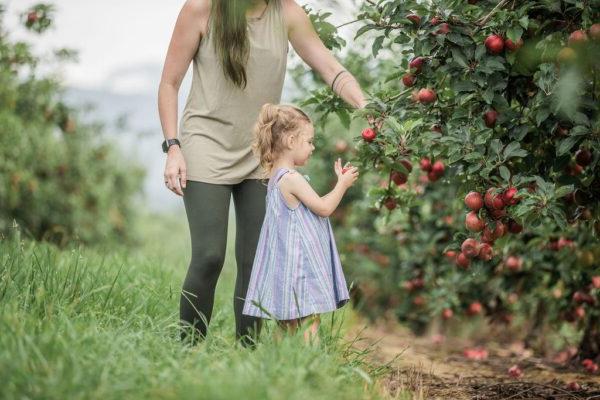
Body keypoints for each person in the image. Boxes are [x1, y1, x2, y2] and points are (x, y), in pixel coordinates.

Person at [157, 0, 370, 347]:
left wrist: (364, 105)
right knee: (209, 255)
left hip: (262, 152)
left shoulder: (286, 13)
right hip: (205, 144)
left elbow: (330, 68)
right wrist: (173, 147)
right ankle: (186, 350)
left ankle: (249, 354)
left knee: (256, 258)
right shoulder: (201, 9)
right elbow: (169, 83)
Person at [242, 103, 358, 344]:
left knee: (287, 326)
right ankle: (311, 368)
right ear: (291, 141)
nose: (313, 147)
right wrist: (343, 186)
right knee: (308, 321)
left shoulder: (276, 177)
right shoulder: (292, 178)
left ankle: (276, 365)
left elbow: (313, 207)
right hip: (300, 267)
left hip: (285, 267)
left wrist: (337, 182)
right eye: (309, 141)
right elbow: (324, 209)